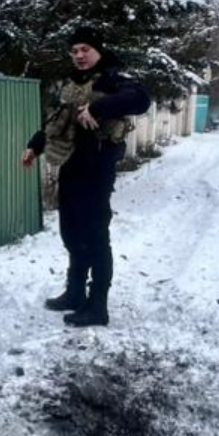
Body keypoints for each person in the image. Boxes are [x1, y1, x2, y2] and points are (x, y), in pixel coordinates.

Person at [21, 26, 151, 327]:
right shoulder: (71, 83)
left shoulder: (113, 78)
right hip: (71, 165)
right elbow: (56, 122)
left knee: (95, 236)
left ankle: (98, 306)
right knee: (71, 232)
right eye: (75, 50)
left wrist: (98, 106)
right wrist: (34, 146)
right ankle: (76, 293)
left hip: (97, 168)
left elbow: (141, 98)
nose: (79, 55)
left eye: (85, 50)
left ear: (98, 52)